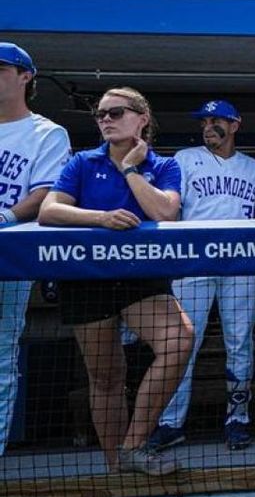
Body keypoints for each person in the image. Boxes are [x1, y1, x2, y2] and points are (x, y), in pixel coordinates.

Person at [38, 86, 193, 475]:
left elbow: (166, 212)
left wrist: (130, 170)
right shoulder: (81, 163)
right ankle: (116, 471)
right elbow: (49, 211)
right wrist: (101, 218)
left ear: (142, 119)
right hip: (87, 278)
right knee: (106, 376)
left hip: (141, 278)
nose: (105, 119)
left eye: (116, 112)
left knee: (179, 340)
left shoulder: (163, 165)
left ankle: (134, 446)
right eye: (101, 115)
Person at [148, 100, 255, 452]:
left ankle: (238, 418)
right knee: (182, 343)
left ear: (235, 124)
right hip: (194, 264)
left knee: (240, 343)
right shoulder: (184, 160)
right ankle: (171, 422)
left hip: (241, 266)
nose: (208, 126)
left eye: (216, 120)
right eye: (204, 120)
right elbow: (169, 211)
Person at [0, 42, 70, 456]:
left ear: (26, 76)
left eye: (2, 68)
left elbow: (46, 193)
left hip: (7, 256)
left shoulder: (46, 132)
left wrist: (5, 217)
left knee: (1, 360)